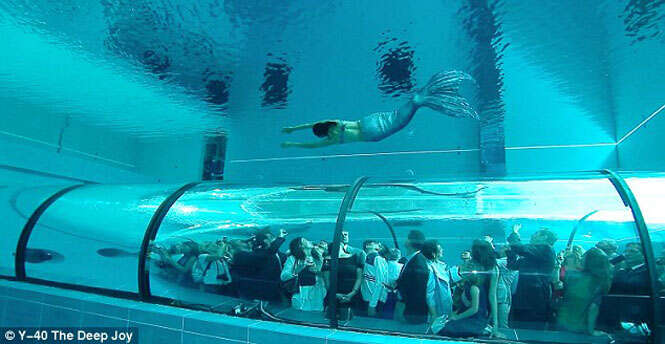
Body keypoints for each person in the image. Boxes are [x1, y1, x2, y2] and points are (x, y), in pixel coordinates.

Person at [281, 71, 478, 148]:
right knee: (410, 105)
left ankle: (426, 98)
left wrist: (292, 143)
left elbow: (311, 145)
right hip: (372, 121)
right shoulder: (334, 124)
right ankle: (426, 96)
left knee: (410, 110)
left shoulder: (332, 139)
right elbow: (313, 124)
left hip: (374, 131)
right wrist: (293, 129)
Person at [506, 224, 557, 330]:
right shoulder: (534, 255)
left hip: (535, 298)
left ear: (544, 237)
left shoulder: (546, 249)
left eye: (535, 234)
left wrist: (515, 233)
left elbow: (519, 247)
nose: (532, 237)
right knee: (520, 326)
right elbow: (512, 265)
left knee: (532, 326)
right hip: (524, 296)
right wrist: (510, 251)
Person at [556, 248, 611, 335]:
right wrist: (591, 330)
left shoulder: (571, 276)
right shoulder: (601, 281)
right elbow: (593, 308)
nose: (580, 259)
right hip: (580, 325)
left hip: (562, 320)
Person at [431, 261, 490, 338]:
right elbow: (467, 304)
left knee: (446, 329)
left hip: (475, 320)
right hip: (468, 317)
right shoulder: (467, 285)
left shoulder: (474, 288)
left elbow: (474, 309)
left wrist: (457, 317)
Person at [233, 228, 288, 302]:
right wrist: (280, 237)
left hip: (275, 287)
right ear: (266, 241)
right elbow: (268, 253)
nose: (274, 239)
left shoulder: (275, 254)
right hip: (260, 289)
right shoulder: (245, 255)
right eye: (271, 238)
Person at [396, 230, 436, 324]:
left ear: (410, 241)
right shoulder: (413, 259)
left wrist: (403, 306)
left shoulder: (418, 262)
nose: (405, 240)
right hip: (409, 311)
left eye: (407, 238)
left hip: (412, 314)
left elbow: (418, 291)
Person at [281, 237, 327, 311]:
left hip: (318, 293)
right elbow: (283, 276)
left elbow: (324, 274)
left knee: (317, 315)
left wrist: (318, 267)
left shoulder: (318, 256)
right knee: (301, 314)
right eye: (306, 240)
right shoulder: (293, 259)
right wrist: (298, 269)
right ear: (301, 246)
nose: (309, 241)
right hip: (301, 295)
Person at [422, 240, 453, 319]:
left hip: (445, 305)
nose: (443, 250)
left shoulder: (441, 265)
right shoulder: (429, 269)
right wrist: (433, 314)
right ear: (433, 253)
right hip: (437, 309)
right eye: (440, 249)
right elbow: (429, 293)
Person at [361, 240, 388, 317]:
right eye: (375, 243)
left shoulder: (377, 258)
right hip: (367, 298)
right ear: (367, 245)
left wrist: (373, 304)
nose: (378, 245)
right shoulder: (366, 258)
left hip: (374, 300)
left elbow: (380, 282)